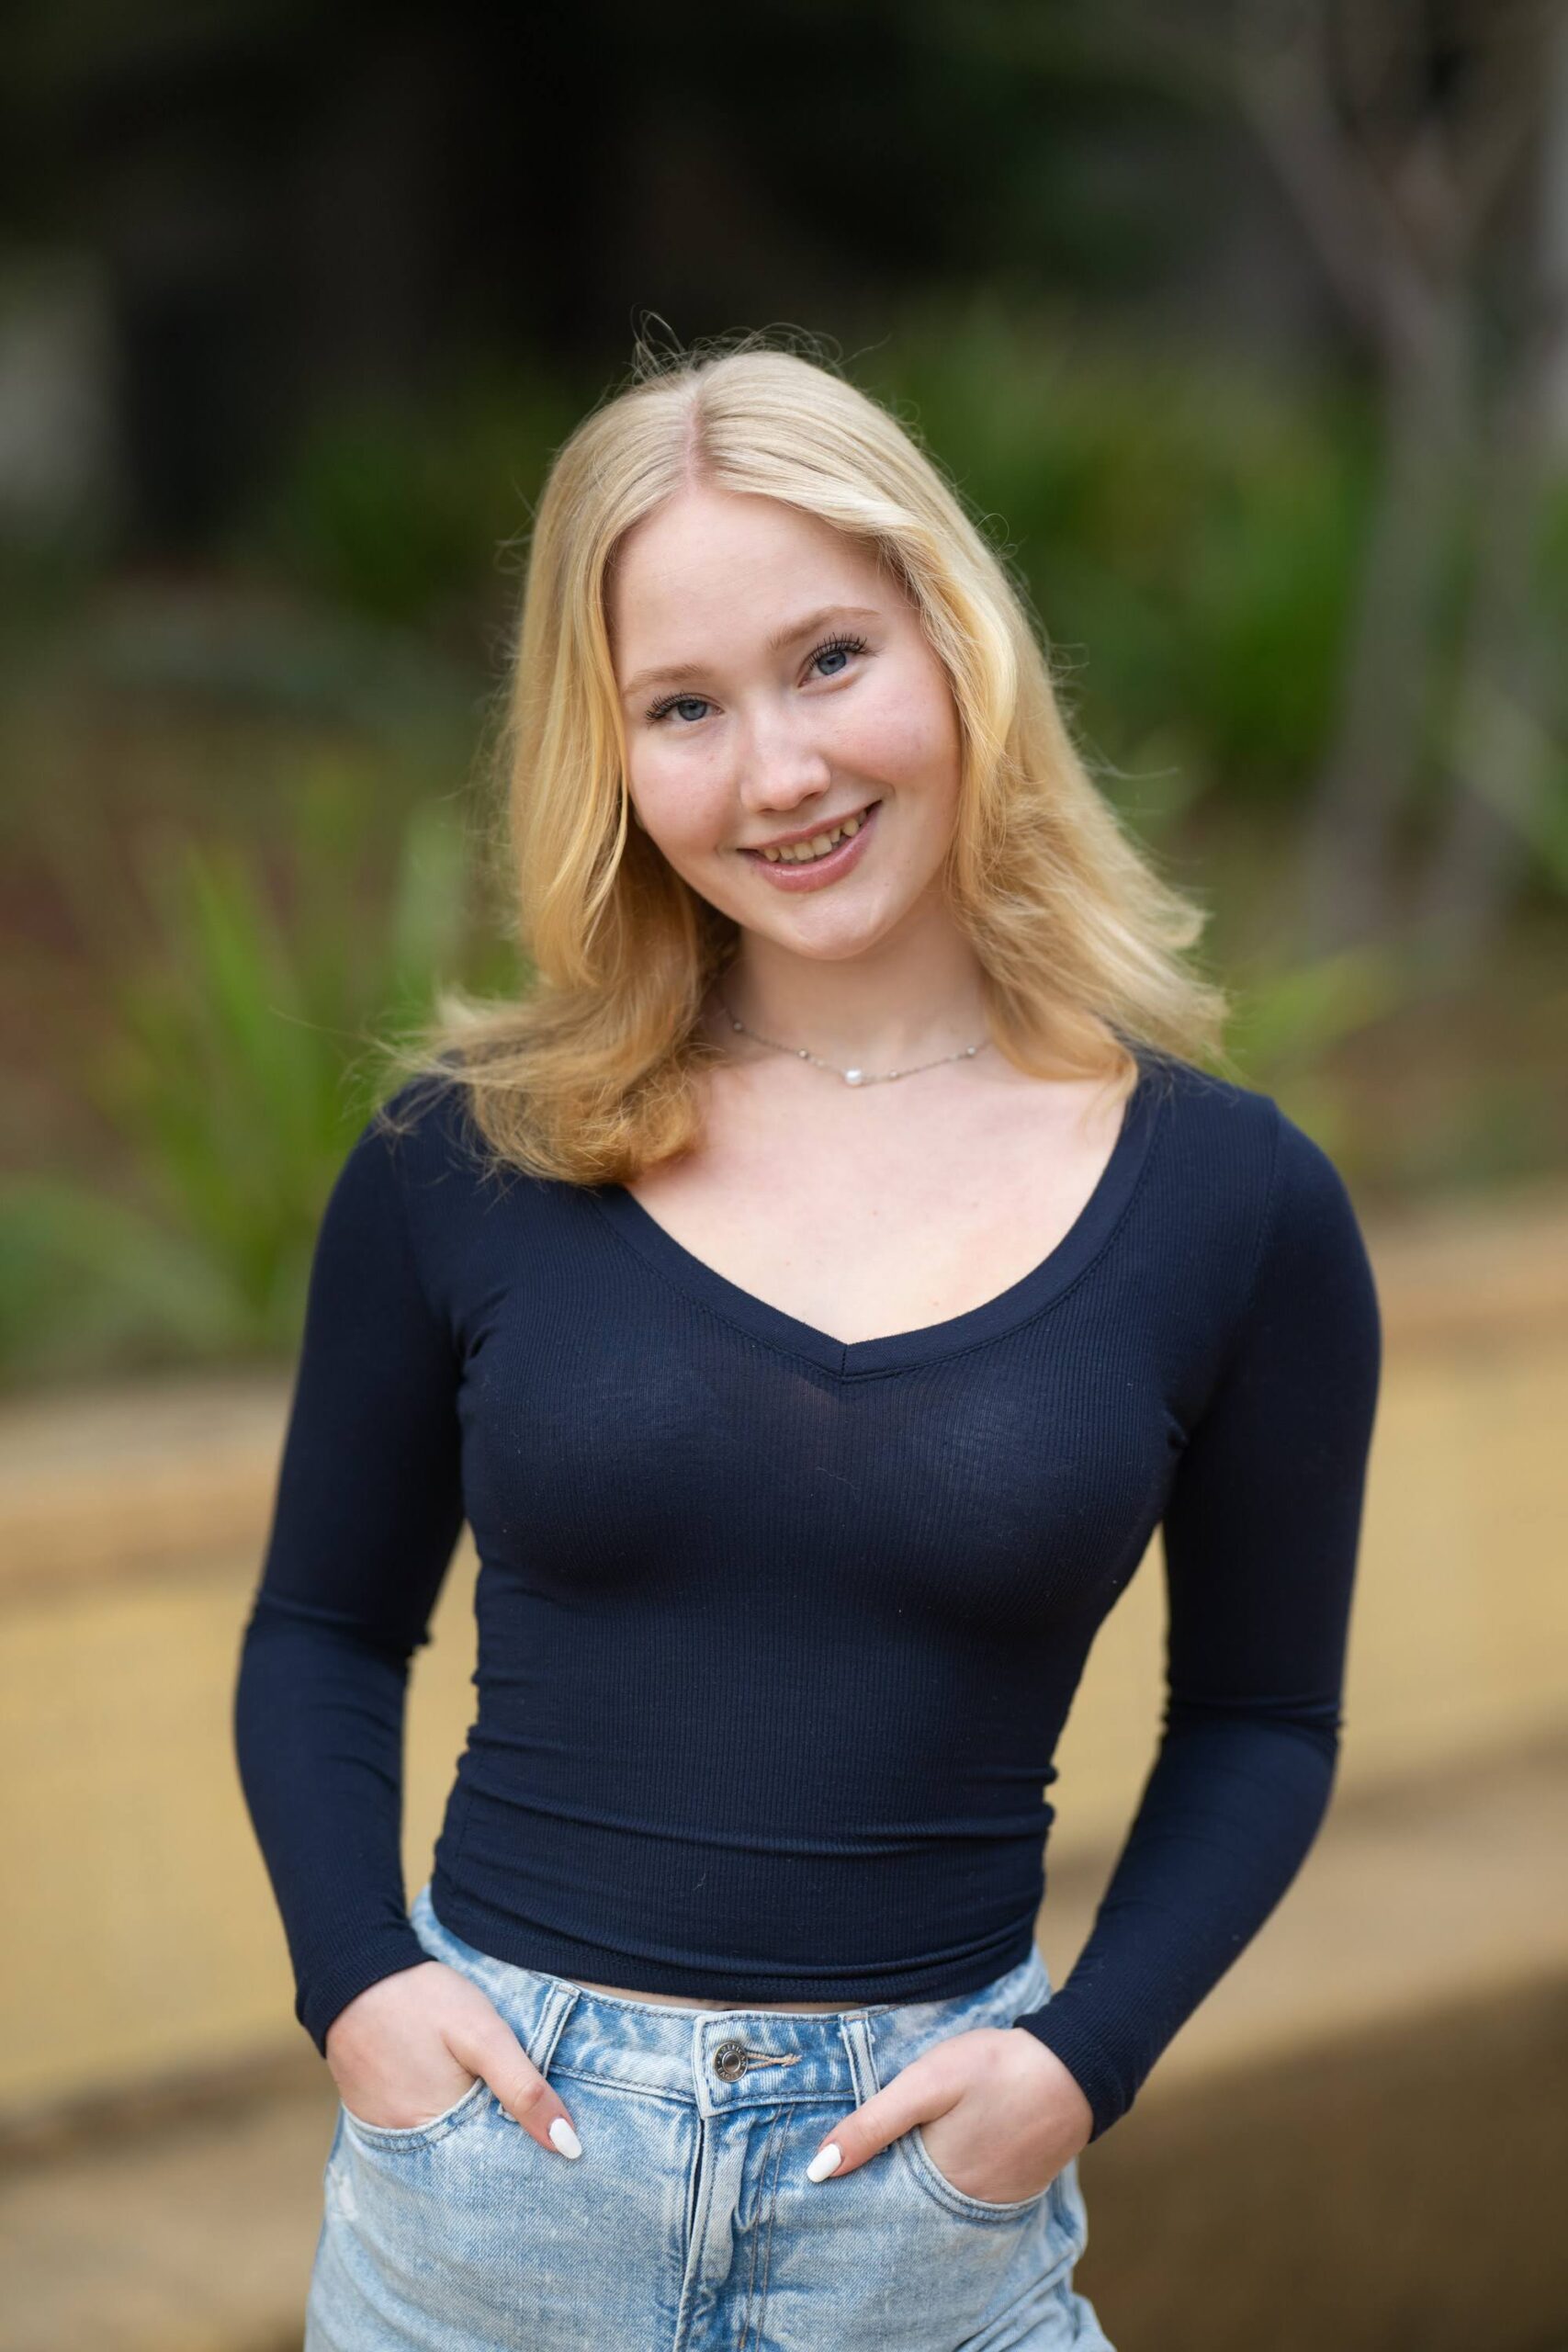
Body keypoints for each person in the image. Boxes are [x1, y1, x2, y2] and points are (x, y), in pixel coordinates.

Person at [232, 333, 1382, 2352]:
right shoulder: (463, 1158)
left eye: (828, 659)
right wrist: (356, 1985)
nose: (775, 772)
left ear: (957, 644)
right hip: (497, 2189)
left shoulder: (1233, 1205)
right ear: (607, 756)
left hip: (922, 2214)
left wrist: (1073, 2062)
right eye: (681, 705)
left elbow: (1260, 1721)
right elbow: (324, 1627)